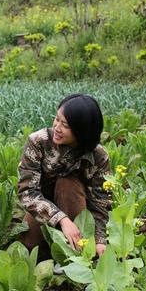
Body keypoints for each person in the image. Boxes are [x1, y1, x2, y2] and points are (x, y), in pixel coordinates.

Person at [17, 94, 110, 258]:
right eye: (57, 119)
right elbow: (27, 192)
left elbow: (100, 201)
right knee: (31, 250)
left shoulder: (98, 156)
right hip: (42, 209)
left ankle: (75, 253)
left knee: (67, 183)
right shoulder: (38, 142)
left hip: (76, 207)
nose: (57, 127)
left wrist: (100, 239)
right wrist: (62, 219)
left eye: (65, 125)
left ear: (82, 130)